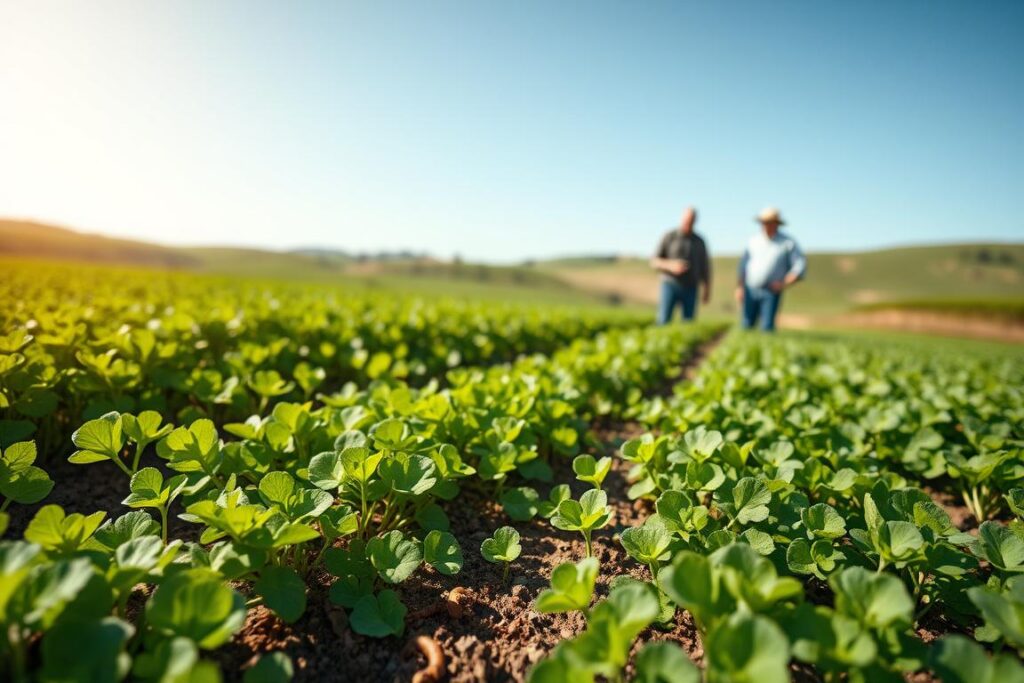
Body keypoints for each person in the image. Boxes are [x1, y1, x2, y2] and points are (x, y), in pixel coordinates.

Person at [735, 207, 807, 332]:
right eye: (763, 222)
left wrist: (784, 283)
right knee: (746, 325)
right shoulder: (753, 241)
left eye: (768, 222)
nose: (765, 225)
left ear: (776, 224)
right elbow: (743, 265)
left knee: (767, 326)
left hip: (771, 291)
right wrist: (740, 287)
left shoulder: (787, 243)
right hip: (750, 288)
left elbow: (799, 266)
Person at [650, 206, 711, 324]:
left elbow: (706, 267)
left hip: (691, 287)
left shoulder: (699, 241)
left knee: (688, 322)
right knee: (663, 320)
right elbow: (654, 261)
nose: (688, 223)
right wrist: (671, 265)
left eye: (692, 221)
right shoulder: (669, 236)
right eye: (687, 220)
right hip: (670, 284)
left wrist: (707, 289)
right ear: (682, 218)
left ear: (695, 221)